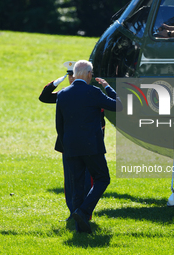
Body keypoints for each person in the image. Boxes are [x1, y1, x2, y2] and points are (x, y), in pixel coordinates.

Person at [55, 60, 123, 233]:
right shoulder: (93, 91)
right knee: (102, 179)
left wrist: (66, 145)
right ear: (87, 74)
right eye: (91, 73)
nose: (92, 76)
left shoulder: (62, 94)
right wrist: (108, 87)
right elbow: (119, 106)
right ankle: (83, 211)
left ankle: (81, 227)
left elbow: (59, 126)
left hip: (70, 147)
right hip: (92, 146)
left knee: (77, 185)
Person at [39, 61, 93, 221]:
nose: (71, 78)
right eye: (69, 76)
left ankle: (85, 213)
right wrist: (56, 82)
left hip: (88, 146)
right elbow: (44, 97)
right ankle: (73, 212)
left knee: (86, 181)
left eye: (73, 75)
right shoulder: (64, 93)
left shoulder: (91, 92)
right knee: (70, 182)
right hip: (68, 145)